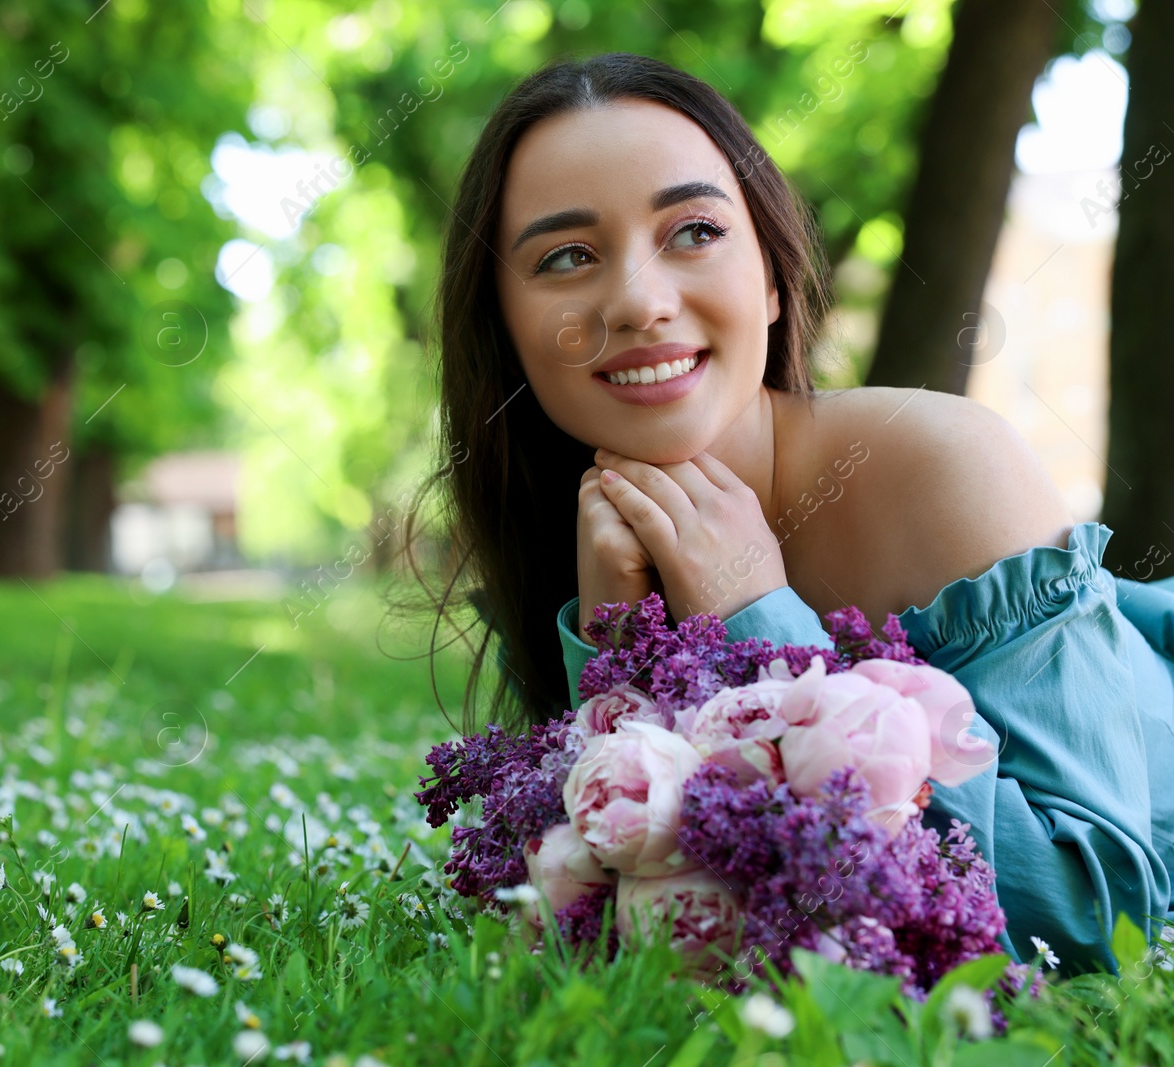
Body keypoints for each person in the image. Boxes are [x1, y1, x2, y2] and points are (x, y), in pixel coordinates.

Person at [406, 51, 1174, 977]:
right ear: (505, 327)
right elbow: (629, 921)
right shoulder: (592, 535)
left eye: (692, 230)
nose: (642, 302)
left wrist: (753, 618)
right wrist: (622, 653)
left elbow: (1090, 917)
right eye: (567, 256)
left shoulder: (943, 466)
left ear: (771, 277)